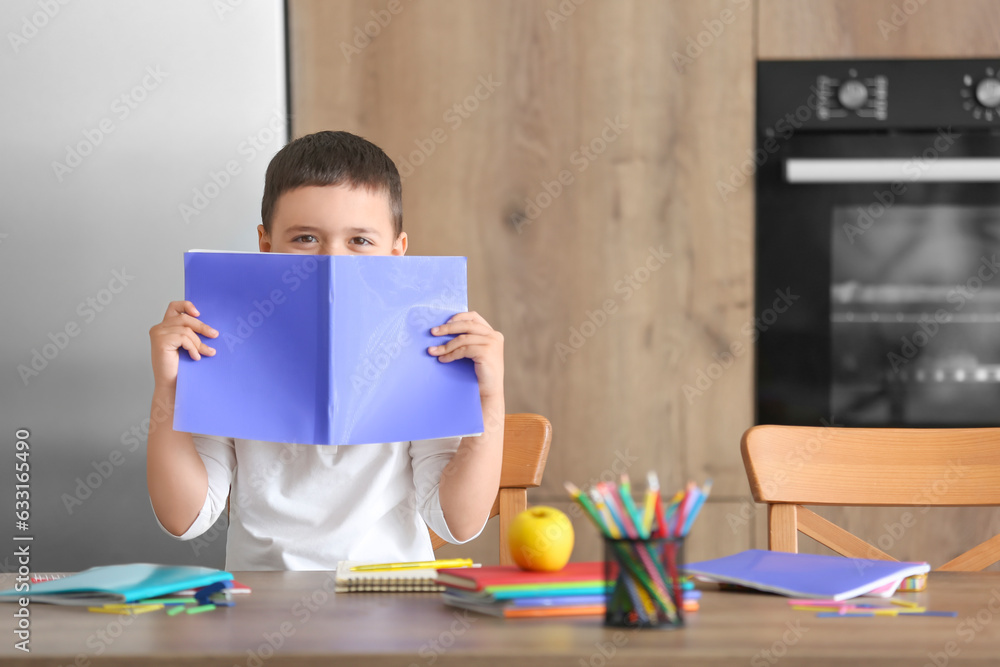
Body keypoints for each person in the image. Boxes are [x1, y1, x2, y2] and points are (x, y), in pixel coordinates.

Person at [146, 131, 505, 570]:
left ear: (397, 253)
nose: (332, 263)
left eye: (359, 241)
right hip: (263, 611)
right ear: (266, 246)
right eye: (305, 239)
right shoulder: (228, 339)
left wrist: (489, 400)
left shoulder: (425, 347)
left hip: (394, 611)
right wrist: (167, 389)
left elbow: (458, 522)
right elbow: (186, 517)